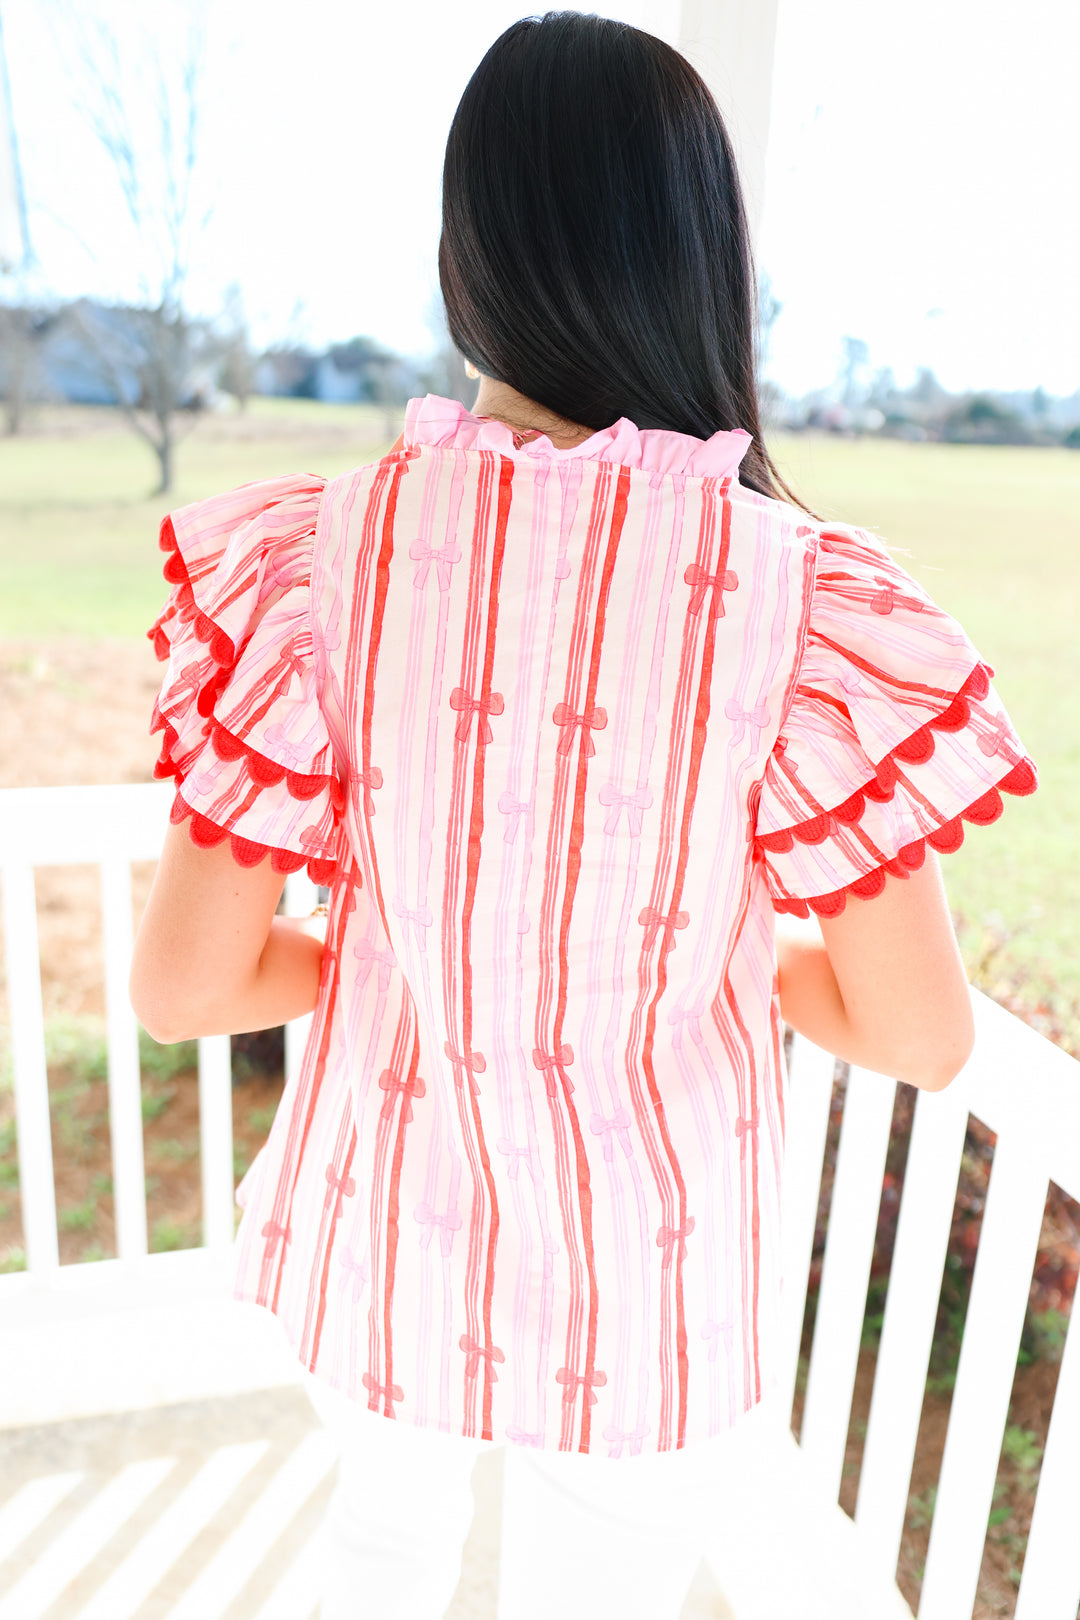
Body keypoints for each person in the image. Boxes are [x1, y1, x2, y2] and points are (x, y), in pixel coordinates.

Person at [129, 13, 1036, 1619]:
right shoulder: (796, 601)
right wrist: (724, 967)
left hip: (381, 1233)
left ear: (458, 258)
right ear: (703, 255)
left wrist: (379, 958)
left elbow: (186, 986)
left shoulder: (313, 564)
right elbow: (917, 1034)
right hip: (655, 1269)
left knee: (380, 1550)